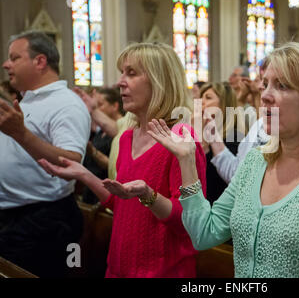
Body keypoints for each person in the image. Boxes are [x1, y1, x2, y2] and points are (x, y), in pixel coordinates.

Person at [148, 42, 299, 278]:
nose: (266, 95)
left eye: (283, 85)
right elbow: (203, 234)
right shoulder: (256, 161)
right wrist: (187, 162)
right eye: (265, 84)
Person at [38, 42, 207, 278]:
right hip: (119, 268)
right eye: (122, 73)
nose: (120, 82)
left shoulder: (181, 139)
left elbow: (189, 222)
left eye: (132, 73)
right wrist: (83, 174)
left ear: (159, 81)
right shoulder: (127, 137)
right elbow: (122, 205)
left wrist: (148, 194)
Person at [0, 31, 91, 277]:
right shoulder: (29, 101)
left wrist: (21, 133)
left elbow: (72, 164)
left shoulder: (66, 104)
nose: (6, 64)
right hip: (16, 215)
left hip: (43, 220)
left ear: (40, 62)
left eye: (14, 57)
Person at [209, 58, 270, 184]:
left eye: (281, 85)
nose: (260, 87)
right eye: (264, 83)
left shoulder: (249, 116)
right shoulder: (259, 126)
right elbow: (237, 174)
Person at [80, 87, 125, 204]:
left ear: (115, 106)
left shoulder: (124, 129)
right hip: (92, 187)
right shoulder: (102, 130)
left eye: (101, 104)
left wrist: (93, 152)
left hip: (106, 189)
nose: (99, 109)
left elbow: (115, 165)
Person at [199, 82, 241, 204]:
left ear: (223, 104)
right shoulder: (200, 133)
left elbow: (223, 179)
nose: (201, 101)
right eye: (201, 97)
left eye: (208, 97)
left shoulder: (234, 137)